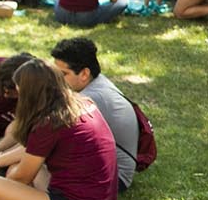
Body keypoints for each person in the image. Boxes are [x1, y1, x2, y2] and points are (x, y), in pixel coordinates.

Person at [0, 57, 120, 200]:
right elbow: (31, 150)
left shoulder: (50, 122)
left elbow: (21, 178)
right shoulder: (80, 103)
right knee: (14, 168)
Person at [50, 36, 143, 191]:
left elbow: (50, 137)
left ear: (84, 74)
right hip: (104, 168)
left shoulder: (90, 99)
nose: (56, 80)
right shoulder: (96, 82)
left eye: (63, 74)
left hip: (115, 177)